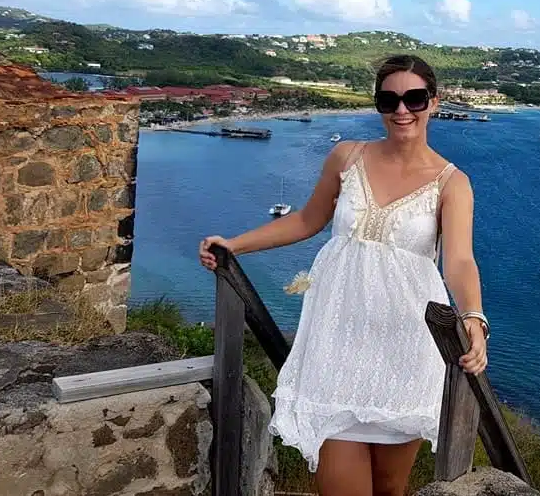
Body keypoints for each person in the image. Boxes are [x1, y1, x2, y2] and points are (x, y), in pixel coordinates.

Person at [198, 54, 488, 496]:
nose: (401, 110)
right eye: (388, 100)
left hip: (404, 350)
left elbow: (459, 261)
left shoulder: (452, 182)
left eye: (414, 98)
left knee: (391, 489)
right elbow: (305, 221)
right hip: (335, 346)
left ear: (434, 102)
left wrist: (473, 316)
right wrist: (235, 244)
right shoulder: (347, 157)